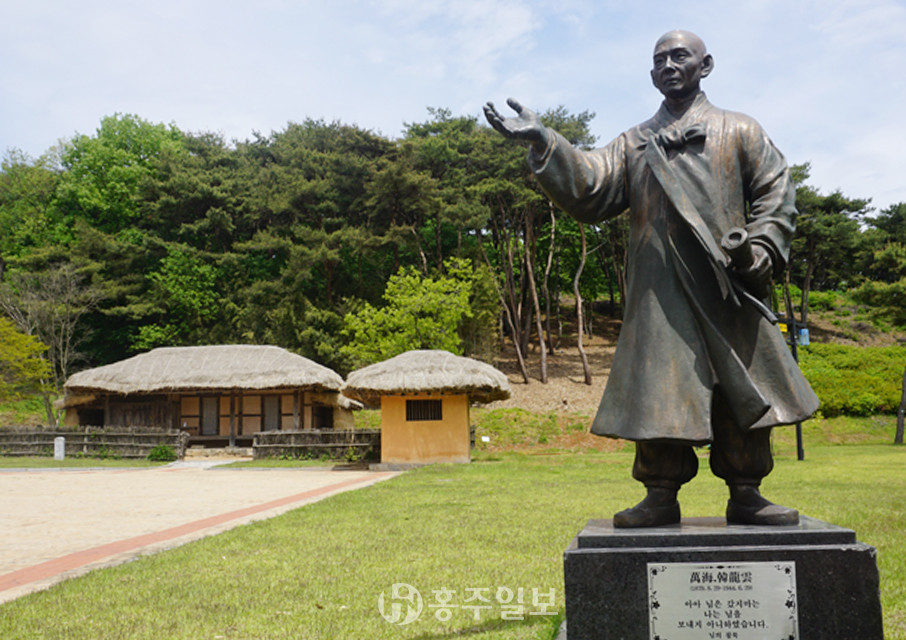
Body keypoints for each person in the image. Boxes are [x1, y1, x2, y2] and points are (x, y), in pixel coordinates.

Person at [484, 30, 819, 527]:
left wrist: (760, 249)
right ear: (650, 74)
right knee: (659, 390)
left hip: (726, 284)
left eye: (679, 56)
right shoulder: (634, 142)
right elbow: (591, 185)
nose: (668, 65)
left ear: (706, 65)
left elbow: (776, 194)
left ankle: (747, 492)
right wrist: (545, 141)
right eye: (659, 59)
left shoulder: (740, 129)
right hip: (659, 293)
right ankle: (660, 493)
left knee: (740, 390)